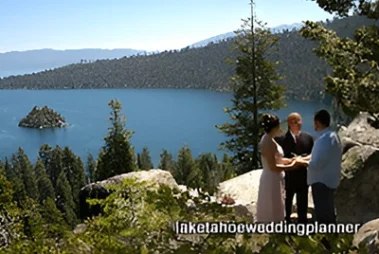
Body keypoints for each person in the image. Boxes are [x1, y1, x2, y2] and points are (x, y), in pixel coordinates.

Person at [255, 113, 308, 223]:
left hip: (275, 178)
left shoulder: (270, 139)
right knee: (271, 206)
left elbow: (277, 159)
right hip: (270, 179)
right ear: (274, 127)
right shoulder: (267, 142)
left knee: (277, 204)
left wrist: (290, 160)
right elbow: (273, 166)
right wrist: (292, 166)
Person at [303, 109, 342, 224]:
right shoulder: (333, 136)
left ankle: (325, 238)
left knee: (323, 215)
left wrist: (302, 163)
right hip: (331, 179)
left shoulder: (323, 139)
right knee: (329, 211)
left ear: (318, 122)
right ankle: (333, 238)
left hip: (321, 181)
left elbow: (317, 164)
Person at [275, 113, 314, 223]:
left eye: (299, 121)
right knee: (286, 203)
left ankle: (303, 224)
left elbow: (313, 155)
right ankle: (286, 224)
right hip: (288, 177)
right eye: (295, 121)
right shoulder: (281, 140)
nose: (298, 124)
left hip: (303, 177)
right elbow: (278, 158)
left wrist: (304, 159)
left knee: (303, 203)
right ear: (289, 124)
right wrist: (292, 161)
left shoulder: (308, 138)